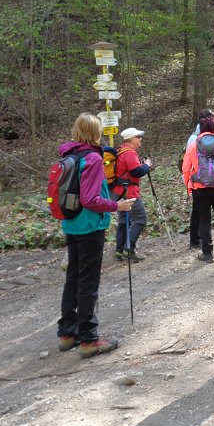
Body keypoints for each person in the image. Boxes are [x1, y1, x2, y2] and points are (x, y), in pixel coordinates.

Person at [57, 113, 134, 359]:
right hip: (89, 226)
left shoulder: (68, 155)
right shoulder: (90, 158)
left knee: (73, 278)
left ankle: (67, 333)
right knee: (88, 281)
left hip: (71, 223)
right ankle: (89, 339)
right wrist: (118, 206)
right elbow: (91, 199)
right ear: (95, 133)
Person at [182, 111, 214, 263]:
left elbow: (186, 168)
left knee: (204, 218)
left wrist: (188, 185)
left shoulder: (193, 145)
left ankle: (207, 253)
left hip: (199, 187)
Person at [112, 128, 153, 262]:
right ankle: (129, 249)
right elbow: (137, 171)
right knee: (140, 219)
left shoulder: (120, 150)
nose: (140, 139)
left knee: (124, 221)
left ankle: (119, 251)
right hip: (129, 192)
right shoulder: (129, 153)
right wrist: (147, 165)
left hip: (118, 192)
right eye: (138, 137)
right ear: (131, 139)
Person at [184, 109, 214, 249]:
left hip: (203, 179)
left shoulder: (200, 136)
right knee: (198, 211)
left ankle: (198, 238)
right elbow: (188, 163)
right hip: (198, 180)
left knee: (198, 210)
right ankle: (195, 239)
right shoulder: (195, 139)